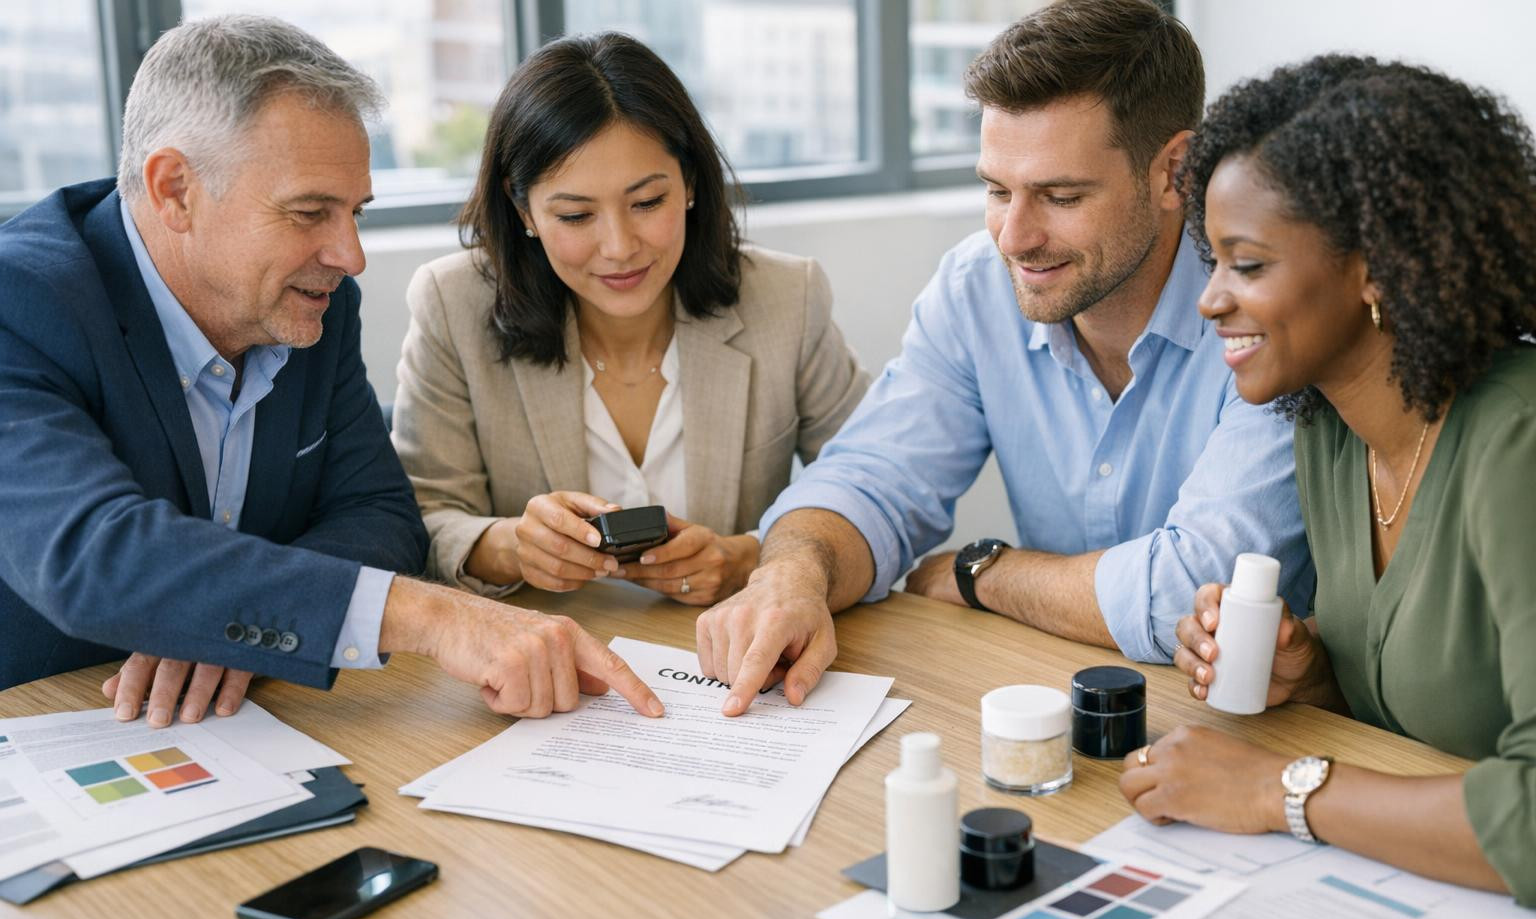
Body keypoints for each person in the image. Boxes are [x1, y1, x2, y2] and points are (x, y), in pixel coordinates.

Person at [0, 16, 663, 726]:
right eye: (309, 212)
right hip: (44, 737)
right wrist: (436, 618)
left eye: (354, 213)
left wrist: (224, 613)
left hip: (234, 733)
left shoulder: (315, 304)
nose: (350, 256)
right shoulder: (22, 301)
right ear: (175, 191)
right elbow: (91, 555)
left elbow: (380, 515)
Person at [695, 0, 1311, 716]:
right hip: (1060, 700)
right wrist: (793, 577)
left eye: (1060, 195)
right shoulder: (975, 286)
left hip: (1265, 727)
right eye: (996, 190)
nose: (1014, 237)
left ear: (1174, 171)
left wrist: (985, 571)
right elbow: (873, 479)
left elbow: (1199, 590)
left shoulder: (1260, 306)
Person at [1127, 55, 1536, 905]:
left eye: (1247, 264)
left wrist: (1276, 791)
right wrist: (1306, 673)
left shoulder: (1517, 445)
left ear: (1376, 268)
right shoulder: (1326, 428)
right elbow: (1425, 711)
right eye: (1213, 261)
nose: (1209, 300)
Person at [391, 32, 869, 607]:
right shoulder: (452, 303)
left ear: (690, 183)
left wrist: (749, 558)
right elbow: (420, 518)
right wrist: (510, 545)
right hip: (547, 662)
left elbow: (870, 483)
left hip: (727, 659)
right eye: (575, 215)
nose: (619, 247)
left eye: (647, 203)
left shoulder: (787, 298)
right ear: (525, 212)